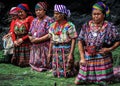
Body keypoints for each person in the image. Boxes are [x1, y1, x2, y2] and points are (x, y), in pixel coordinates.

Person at [75, 2, 120, 85]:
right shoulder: (86, 26)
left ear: (104, 15)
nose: (95, 16)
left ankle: (103, 78)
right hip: (88, 58)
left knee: (103, 82)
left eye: (98, 14)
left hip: (103, 58)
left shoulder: (109, 27)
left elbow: (118, 40)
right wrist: (82, 57)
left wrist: (109, 49)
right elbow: (80, 40)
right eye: (94, 14)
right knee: (78, 82)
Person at [28, 2, 54, 72]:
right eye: (36, 10)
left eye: (40, 10)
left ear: (45, 10)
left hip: (45, 45)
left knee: (45, 62)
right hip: (35, 44)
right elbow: (30, 32)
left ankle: (45, 66)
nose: (38, 12)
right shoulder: (34, 20)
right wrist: (31, 38)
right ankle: (35, 66)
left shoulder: (49, 20)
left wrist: (38, 39)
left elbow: (50, 34)